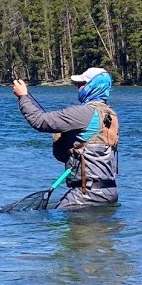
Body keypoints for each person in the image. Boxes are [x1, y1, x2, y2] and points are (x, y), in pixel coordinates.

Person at [12, 67, 119, 211]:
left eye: (82, 84)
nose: (79, 88)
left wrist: (23, 97)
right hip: (109, 193)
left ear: (94, 86)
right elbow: (74, 155)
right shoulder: (111, 116)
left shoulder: (84, 113)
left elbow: (40, 121)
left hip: (86, 195)